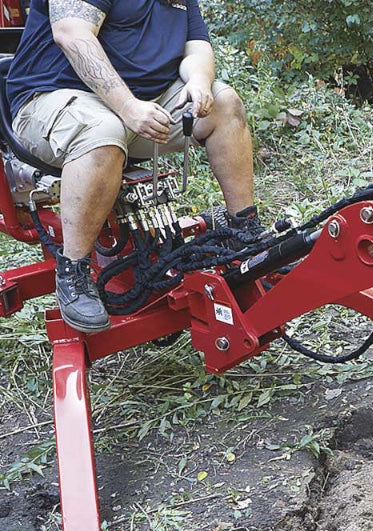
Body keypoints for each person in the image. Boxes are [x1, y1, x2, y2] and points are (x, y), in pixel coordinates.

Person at [6, 0, 265, 333]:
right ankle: (73, 271)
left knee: (225, 102)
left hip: (142, 105)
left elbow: (196, 45)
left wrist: (199, 82)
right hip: (50, 98)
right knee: (101, 130)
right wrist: (128, 107)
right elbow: (71, 33)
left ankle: (244, 231)